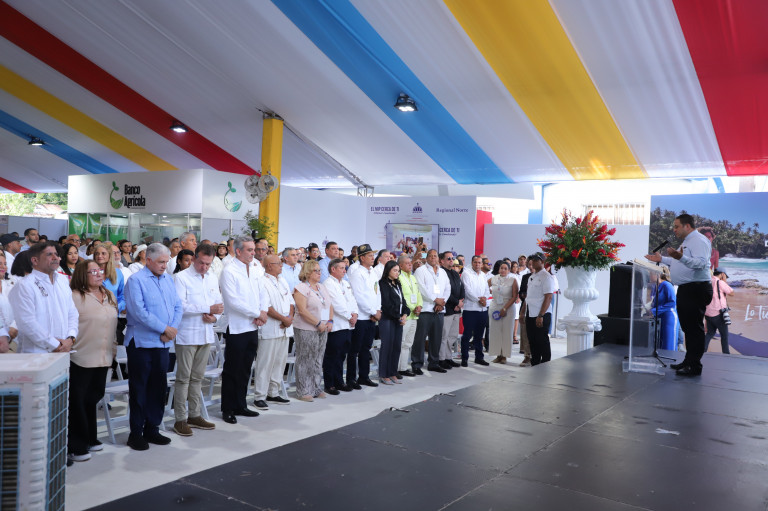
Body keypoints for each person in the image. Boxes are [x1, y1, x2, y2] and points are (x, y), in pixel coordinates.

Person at [124, 243, 183, 450]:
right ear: (148, 260)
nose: (165, 266)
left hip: (163, 343)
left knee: (158, 388)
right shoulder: (136, 280)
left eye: (166, 262)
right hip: (141, 343)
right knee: (140, 388)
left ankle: (152, 428)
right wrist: (165, 329)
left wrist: (172, 329)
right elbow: (139, 312)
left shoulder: (168, 279)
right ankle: (136, 433)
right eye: (160, 262)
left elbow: (178, 306)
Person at [645, 213, 713, 376]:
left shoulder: (698, 240)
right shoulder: (687, 241)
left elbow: (701, 264)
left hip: (696, 288)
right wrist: (662, 259)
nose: (674, 229)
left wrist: (681, 257)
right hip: (687, 288)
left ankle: (694, 366)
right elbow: (679, 262)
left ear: (687, 226)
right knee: (688, 328)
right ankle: (688, 361)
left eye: (676, 226)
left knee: (694, 329)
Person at [68, 260, 118, 462]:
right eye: (93, 271)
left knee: (93, 398)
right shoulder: (75, 296)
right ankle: (76, 445)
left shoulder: (109, 295)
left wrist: (113, 349)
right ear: (82, 274)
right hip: (81, 356)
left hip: (104, 355)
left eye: (100, 270)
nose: (99, 274)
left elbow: (113, 325)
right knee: (78, 402)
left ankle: (90, 437)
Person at [172, 244, 222, 436]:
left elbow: (219, 305)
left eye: (208, 264)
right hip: (187, 334)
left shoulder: (211, 277)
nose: (204, 267)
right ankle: (180, 419)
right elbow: (181, 305)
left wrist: (214, 317)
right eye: (201, 263)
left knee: (198, 377)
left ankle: (194, 414)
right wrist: (207, 309)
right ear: (194, 259)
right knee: (183, 378)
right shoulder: (181, 277)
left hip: (206, 332)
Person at [219, 236, 268, 423]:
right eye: (249, 250)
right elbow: (233, 301)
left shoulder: (256, 267)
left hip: (253, 326)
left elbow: (263, 292)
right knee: (232, 369)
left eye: (254, 249)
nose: (253, 253)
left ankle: (241, 404)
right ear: (238, 251)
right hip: (237, 326)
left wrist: (263, 311)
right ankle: (228, 408)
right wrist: (257, 313)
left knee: (246, 368)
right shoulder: (229, 270)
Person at [11, 242, 78, 354]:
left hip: (64, 351)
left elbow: (72, 313)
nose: (55, 258)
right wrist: (55, 344)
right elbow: (27, 322)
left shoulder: (62, 280)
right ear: (35, 260)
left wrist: (70, 338)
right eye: (49, 254)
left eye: (56, 254)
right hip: (35, 354)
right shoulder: (25, 285)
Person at [253, 254, 294, 408]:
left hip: (285, 328)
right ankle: (259, 396)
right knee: (265, 363)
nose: (281, 265)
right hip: (270, 328)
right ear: (269, 265)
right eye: (279, 263)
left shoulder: (282, 280)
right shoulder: (262, 281)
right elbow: (267, 307)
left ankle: (273, 393)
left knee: (279, 362)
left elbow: (291, 302)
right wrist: (284, 319)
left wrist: (289, 317)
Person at [292, 259, 333, 401]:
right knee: (305, 359)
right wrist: (317, 323)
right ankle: (303, 390)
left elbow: (329, 305)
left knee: (318, 358)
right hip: (306, 328)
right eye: (316, 270)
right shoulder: (301, 288)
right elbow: (302, 310)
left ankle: (316, 387)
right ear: (308, 272)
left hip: (323, 328)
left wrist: (330, 321)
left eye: (320, 270)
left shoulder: (321, 287)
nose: (319, 273)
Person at [347, 243, 381, 388]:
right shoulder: (357, 274)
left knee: (366, 349)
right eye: (370, 255)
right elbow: (359, 297)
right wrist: (373, 311)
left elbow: (377, 293)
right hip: (361, 317)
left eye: (373, 255)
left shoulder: (372, 272)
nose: (373, 258)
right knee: (354, 350)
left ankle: (364, 376)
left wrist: (378, 310)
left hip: (372, 316)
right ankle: (351, 378)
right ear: (362, 258)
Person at [413, 249, 450, 373]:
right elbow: (421, 288)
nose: (433, 258)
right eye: (431, 256)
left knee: (436, 338)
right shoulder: (420, 270)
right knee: (420, 338)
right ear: (427, 258)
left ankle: (434, 363)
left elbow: (448, 288)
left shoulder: (442, 272)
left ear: (438, 258)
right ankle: (417, 364)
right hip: (425, 309)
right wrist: (435, 300)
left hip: (439, 310)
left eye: (435, 256)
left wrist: (442, 302)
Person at [323, 258, 358, 393]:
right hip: (337, 325)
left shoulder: (345, 283)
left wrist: (355, 314)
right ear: (333, 269)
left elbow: (352, 300)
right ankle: (329, 384)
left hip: (348, 324)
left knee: (342, 355)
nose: (344, 271)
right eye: (342, 268)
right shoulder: (328, 283)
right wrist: (349, 316)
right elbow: (336, 304)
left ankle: (339, 381)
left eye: (345, 268)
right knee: (332, 355)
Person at [378, 260, 409, 385]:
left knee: (396, 346)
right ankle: (384, 374)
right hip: (388, 319)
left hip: (398, 319)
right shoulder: (383, 283)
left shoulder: (397, 283)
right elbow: (386, 303)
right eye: (395, 270)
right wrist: (398, 317)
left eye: (398, 271)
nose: (397, 273)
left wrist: (405, 314)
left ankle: (392, 372)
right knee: (387, 346)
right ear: (388, 271)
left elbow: (403, 301)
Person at [525, 253, 556, 366]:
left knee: (542, 340)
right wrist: (523, 312)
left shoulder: (546, 277)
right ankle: (535, 362)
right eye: (532, 260)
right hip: (530, 312)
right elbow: (529, 297)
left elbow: (548, 297)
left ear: (542, 262)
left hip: (541, 314)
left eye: (536, 260)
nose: (533, 262)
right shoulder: (532, 276)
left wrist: (541, 315)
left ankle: (545, 364)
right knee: (532, 340)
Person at [461, 255, 491, 366]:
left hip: (482, 310)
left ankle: (479, 357)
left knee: (479, 336)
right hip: (470, 309)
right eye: (475, 262)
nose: (477, 264)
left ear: (482, 264)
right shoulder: (466, 274)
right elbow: (467, 291)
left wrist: (485, 299)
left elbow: (487, 290)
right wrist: (479, 300)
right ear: (472, 263)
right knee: (467, 335)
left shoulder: (483, 275)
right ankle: (464, 358)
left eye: (479, 262)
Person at [488, 260, 519, 363]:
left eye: (505, 268)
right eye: (501, 268)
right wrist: (489, 293)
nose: (503, 270)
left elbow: (514, 296)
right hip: (495, 306)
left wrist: (505, 308)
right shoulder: (493, 279)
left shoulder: (512, 280)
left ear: (509, 270)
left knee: (506, 331)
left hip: (508, 307)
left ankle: (504, 356)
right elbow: (484, 287)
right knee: (495, 331)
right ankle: (498, 354)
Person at [397, 254, 421, 377]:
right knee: (401, 343)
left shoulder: (412, 277)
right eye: (407, 263)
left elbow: (418, 294)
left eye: (410, 263)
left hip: (414, 315)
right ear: (400, 265)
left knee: (408, 344)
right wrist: (412, 308)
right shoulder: (399, 277)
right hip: (405, 315)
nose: (410, 265)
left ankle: (403, 368)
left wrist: (419, 306)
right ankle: (396, 368)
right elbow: (402, 297)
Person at [439, 251, 464, 369]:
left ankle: (448, 357)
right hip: (447, 309)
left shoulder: (454, 273)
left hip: (456, 309)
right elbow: (445, 292)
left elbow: (462, 288)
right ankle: (441, 359)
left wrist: (460, 301)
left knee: (452, 335)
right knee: (444, 336)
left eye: (452, 258)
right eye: (448, 258)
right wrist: (456, 302)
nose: (451, 260)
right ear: (442, 261)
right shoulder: (440, 273)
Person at [704, 268, 734, 354]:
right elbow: (731, 293)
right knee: (724, 336)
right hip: (718, 313)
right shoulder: (720, 282)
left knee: (710, 333)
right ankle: (726, 356)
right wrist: (724, 281)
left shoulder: (708, 281)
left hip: (708, 313)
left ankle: (702, 352)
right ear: (722, 274)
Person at [93, 243, 126, 318]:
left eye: (103, 253)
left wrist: (118, 307)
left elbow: (122, 295)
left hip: (113, 316)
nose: (99, 256)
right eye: (97, 254)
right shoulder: (88, 272)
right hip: (94, 316)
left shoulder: (118, 273)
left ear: (109, 256)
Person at [650, 267, 678, 351]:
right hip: (660, 318)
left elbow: (672, 303)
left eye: (651, 274)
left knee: (668, 344)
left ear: (658, 274)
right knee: (661, 344)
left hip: (669, 318)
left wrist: (654, 311)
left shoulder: (667, 285)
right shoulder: (656, 286)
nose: (649, 276)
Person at [518, 257, 535, 366]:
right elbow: (521, 292)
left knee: (534, 334)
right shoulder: (525, 277)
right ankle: (527, 356)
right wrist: (523, 295)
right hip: (525, 306)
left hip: (537, 308)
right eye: (529, 264)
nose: (531, 266)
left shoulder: (542, 277)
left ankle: (535, 355)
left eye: (533, 264)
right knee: (524, 333)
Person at [0, 253, 18, 353]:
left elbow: (21, 309)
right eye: (0, 264)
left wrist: (14, 327)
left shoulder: (11, 286)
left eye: (5, 264)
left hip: (14, 339)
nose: (3, 267)